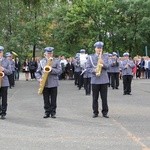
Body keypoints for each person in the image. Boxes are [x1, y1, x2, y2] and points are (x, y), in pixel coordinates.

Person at [35, 47, 62, 119]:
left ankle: (53, 112)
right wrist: (39, 79)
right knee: (46, 99)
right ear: (45, 54)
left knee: (53, 99)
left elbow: (59, 71)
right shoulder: (41, 62)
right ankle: (47, 112)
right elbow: (37, 72)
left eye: (50, 53)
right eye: (48, 53)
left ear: (52, 54)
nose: (49, 55)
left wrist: (51, 69)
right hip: (45, 82)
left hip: (53, 82)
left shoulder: (56, 61)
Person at [86, 41, 109, 118]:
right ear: (95, 49)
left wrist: (103, 63)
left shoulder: (105, 56)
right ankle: (95, 112)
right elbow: (87, 68)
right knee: (95, 97)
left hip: (104, 80)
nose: (99, 49)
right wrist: (94, 70)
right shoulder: (91, 57)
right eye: (98, 48)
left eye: (101, 48)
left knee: (104, 98)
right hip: (95, 80)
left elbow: (108, 67)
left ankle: (105, 112)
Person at [0, 46, 12, 119]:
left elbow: (10, 72)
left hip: (4, 82)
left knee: (4, 98)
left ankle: (3, 113)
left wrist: (3, 69)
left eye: (0, 52)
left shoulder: (6, 61)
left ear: (2, 53)